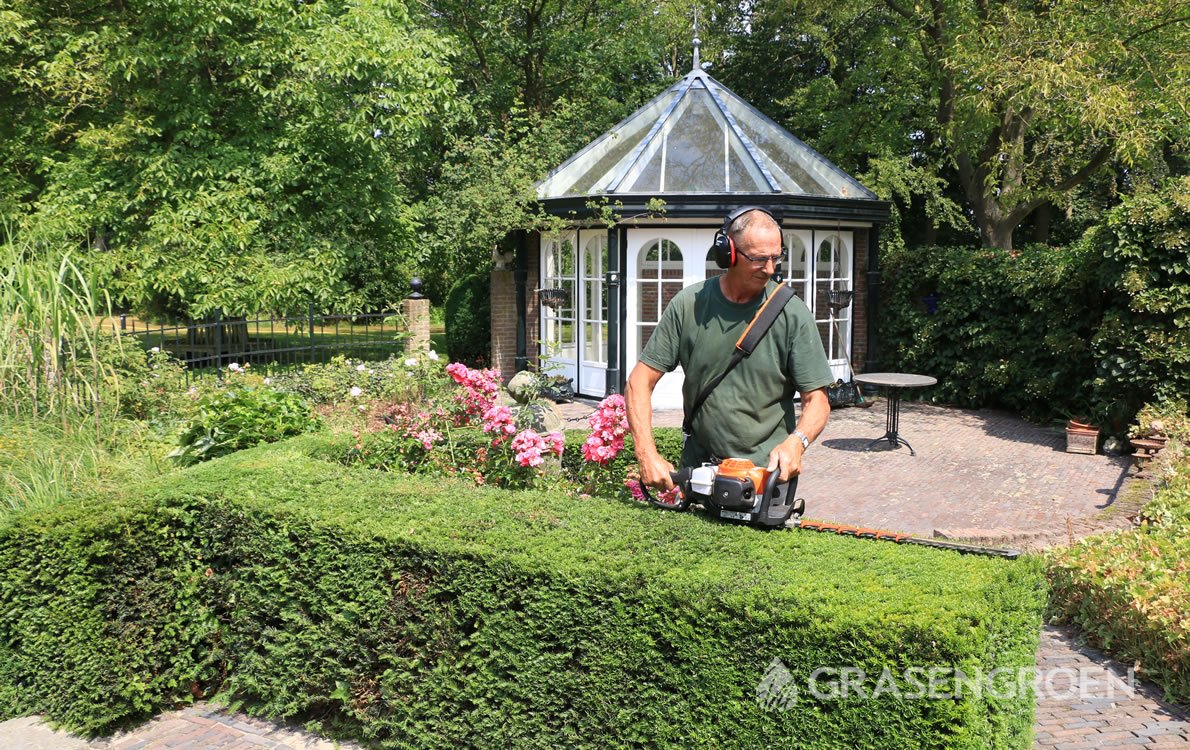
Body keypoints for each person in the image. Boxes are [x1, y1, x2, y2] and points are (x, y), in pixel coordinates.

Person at [625, 208, 833, 496]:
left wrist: (797, 441)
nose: (771, 268)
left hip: (764, 478)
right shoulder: (689, 305)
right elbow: (638, 382)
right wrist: (647, 453)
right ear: (729, 253)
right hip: (698, 475)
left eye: (776, 257)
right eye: (759, 259)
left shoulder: (792, 313)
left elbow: (818, 400)